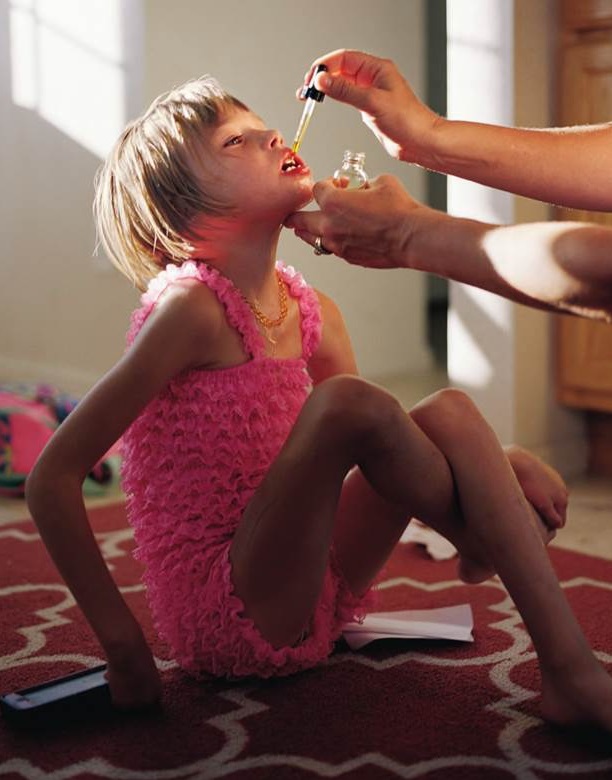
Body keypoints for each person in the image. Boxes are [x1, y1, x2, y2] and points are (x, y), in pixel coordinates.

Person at [24, 74, 612, 732]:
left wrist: (492, 464)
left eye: (263, 126)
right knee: (346, 403)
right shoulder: (188, 310)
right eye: (236, 141)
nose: (274, 135)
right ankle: (485, 536)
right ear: (182, 214)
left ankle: (564, 663)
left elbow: (385, 460)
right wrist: (124, 648)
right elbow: (52, 478)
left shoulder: (313, 311)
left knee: (446, 410)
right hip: (233, 614)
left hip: (322, 596)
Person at [284, 49, 612, 320]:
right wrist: (429, 135)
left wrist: (405, 235)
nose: (274, 137)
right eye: (250, 136)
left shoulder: (317, 316)